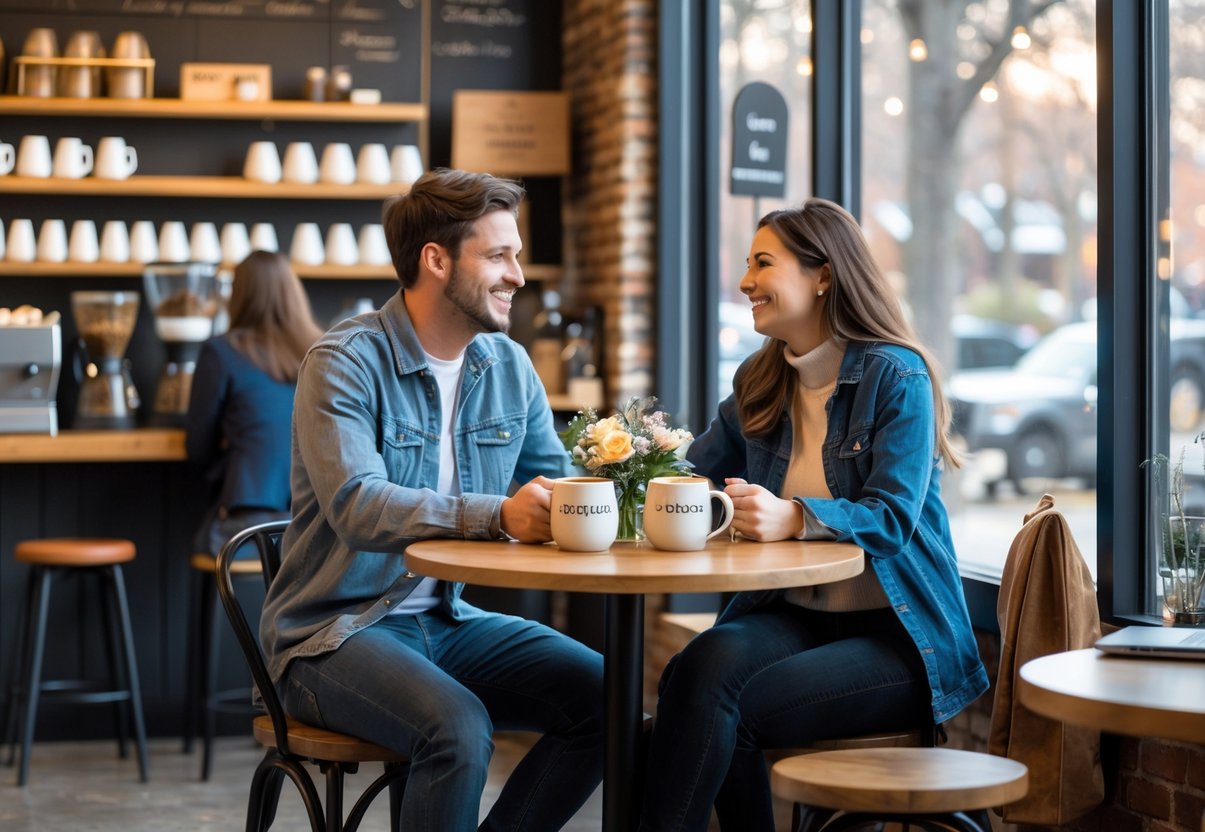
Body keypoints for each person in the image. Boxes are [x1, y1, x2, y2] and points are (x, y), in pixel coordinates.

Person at [260, 168, 604, 832]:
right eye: (499, 255)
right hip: (330, 633)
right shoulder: (344, 361)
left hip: (446, 618)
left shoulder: (507, 366)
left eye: (516, 254)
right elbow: (358, 505)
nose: (519, 274)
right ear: (436, 260)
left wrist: (611, 491)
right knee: (457, 727)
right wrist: (498, 516)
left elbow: (556, 483)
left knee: (605, 699)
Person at [640, 198, 989, 831]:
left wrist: (794, 517)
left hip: (900, 637)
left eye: (762, 263)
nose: (745, 281)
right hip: (796, 617)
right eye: (747, 265)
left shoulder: (896, 375)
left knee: (729, 707)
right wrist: (624, 472)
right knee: (693, 671)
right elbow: (689, 478)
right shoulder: (759, 380)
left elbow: (891, 518)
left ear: (822, 274)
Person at [186, 250, 322, 556]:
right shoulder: (323, 350)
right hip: (319, 530)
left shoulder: (221, 352)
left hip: (250, 528)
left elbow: (197, 448)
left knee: (202, 545)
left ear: (239, 295)